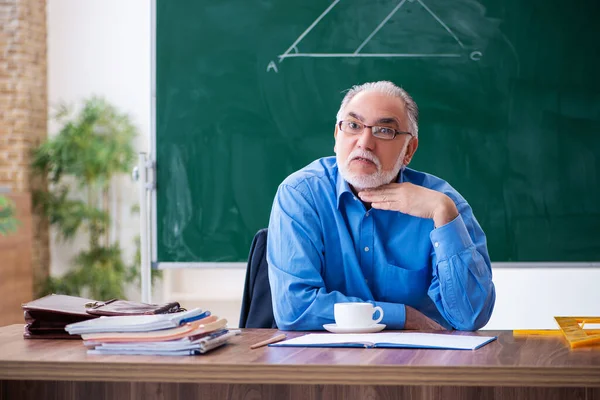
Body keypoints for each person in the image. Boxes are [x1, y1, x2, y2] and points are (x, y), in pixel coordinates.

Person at [267, 81, 495, 331]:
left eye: (384, 131)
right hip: (326, 362)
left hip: (422, 362)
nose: (364, 143)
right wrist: (402, 316)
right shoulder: (301, 194)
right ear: (336, 136)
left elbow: (469, 318)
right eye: (353, 126)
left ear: (409, 149)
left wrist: (443, 214)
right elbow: (294, 309)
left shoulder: (442, 203)